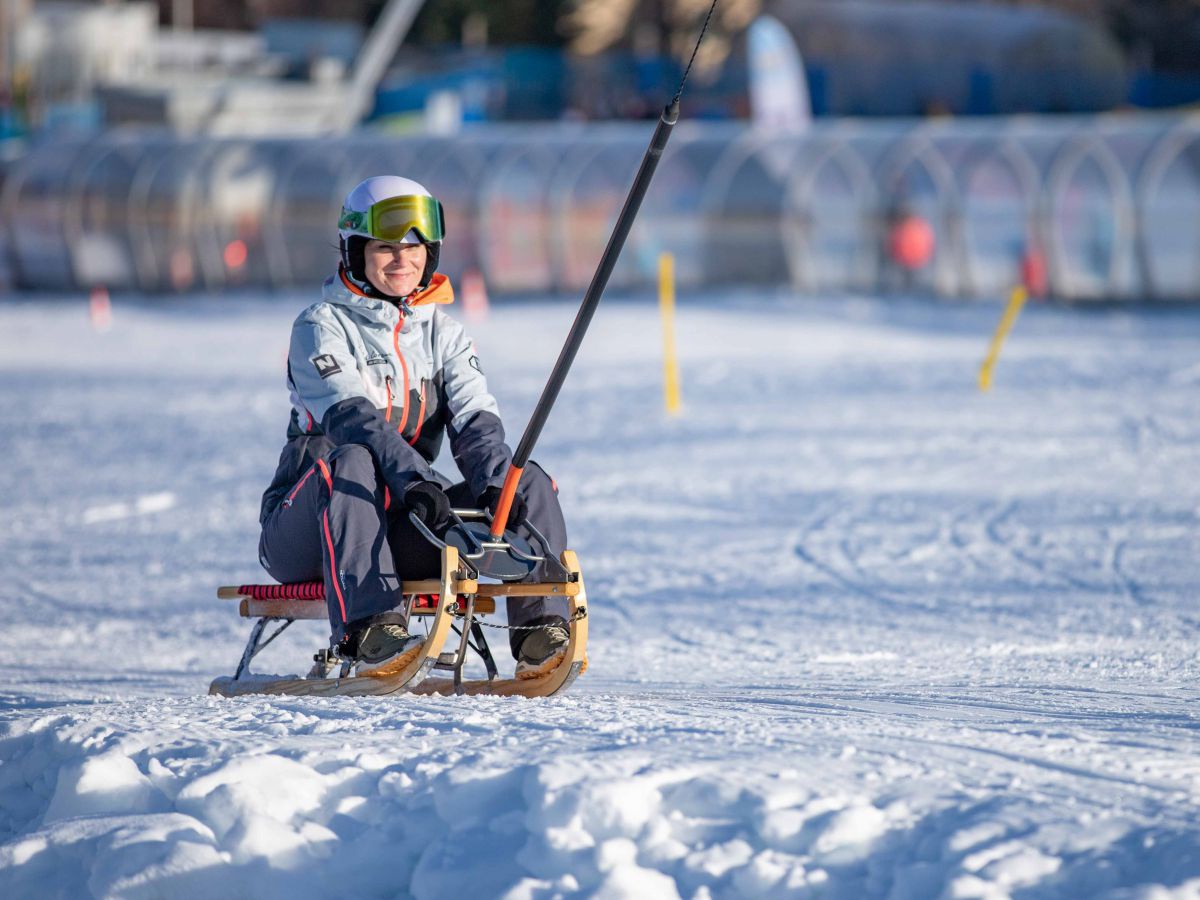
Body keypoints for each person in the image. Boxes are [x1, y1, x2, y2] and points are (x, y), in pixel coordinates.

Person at [257, 176, 570, 677]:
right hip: (308, 530)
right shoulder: (320, 326)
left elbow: (476, 424)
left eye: (416, 247)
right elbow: (354, 423)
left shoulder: (443, 335)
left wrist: (493, 487)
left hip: (402, 523)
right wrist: (417, 482)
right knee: (352, 460)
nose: (403, 259)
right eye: (385, 247)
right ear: (355, 251)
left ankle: (539, 630)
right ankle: (370, 629)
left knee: (522, 477)